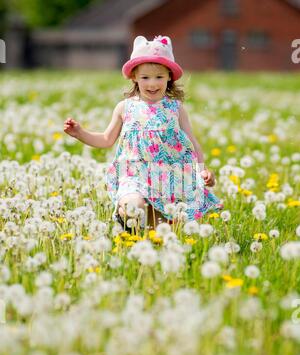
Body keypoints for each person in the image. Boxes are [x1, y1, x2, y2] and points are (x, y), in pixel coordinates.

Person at [64, 35, 223, 231]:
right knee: (134, 206)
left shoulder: (175, 108)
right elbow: (106, 139)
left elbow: (192, 144)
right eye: (145, 77)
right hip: (134, 174)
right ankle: (124, 222)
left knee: (159, 233)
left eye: (159, 77)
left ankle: (137, 242)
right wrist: (81, 133)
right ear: (134, 77)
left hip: (167, 177)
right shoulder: (125, 108)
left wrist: (202, 171)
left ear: (169, 77)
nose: (152, 84)